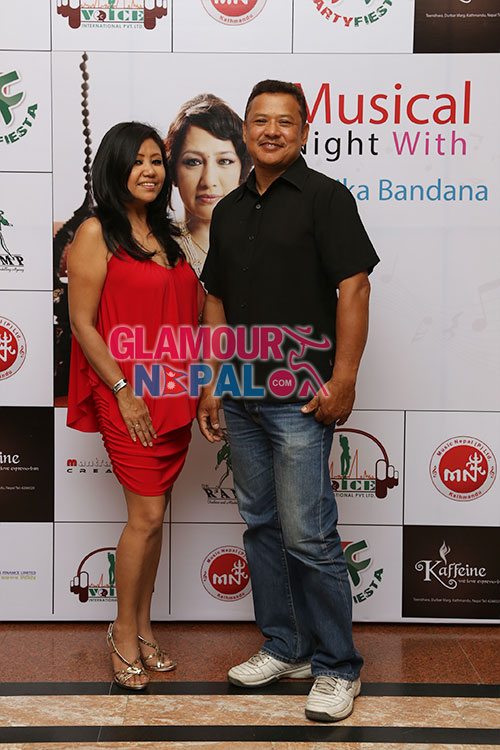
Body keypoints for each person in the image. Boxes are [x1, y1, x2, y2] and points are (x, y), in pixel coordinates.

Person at [198, 80, 379, 722]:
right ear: (244, 131)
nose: (271, 131)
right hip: (243, 394)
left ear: (303, 130)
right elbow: (216, 297)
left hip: (300, 396)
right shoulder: (228, 210)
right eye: (259, 121)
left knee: (308, 533)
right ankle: (286, 646)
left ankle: (337, 667)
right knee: (261, 526)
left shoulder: (326, 198)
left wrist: (344, 378)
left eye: (284, 121)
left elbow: (354, 287)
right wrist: (213, 380)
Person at [67, 121, 202, 690]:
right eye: (137, 160)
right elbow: (82, 323)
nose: (149, 170)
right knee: (143, 516)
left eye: (156, 160)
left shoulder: (170, 235)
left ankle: (144, 627)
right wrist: (124, 392)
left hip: (174, 392)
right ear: (114, 168)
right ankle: (122, 631)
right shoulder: (96, 231)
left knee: (156, 515)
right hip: (129, 394)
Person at [165, 93, 251, 276]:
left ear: (242, 169)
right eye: (194, 162)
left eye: (225, 161)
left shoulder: (263, 243)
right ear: (173, 170)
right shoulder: (154, 247)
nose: (209, 181)